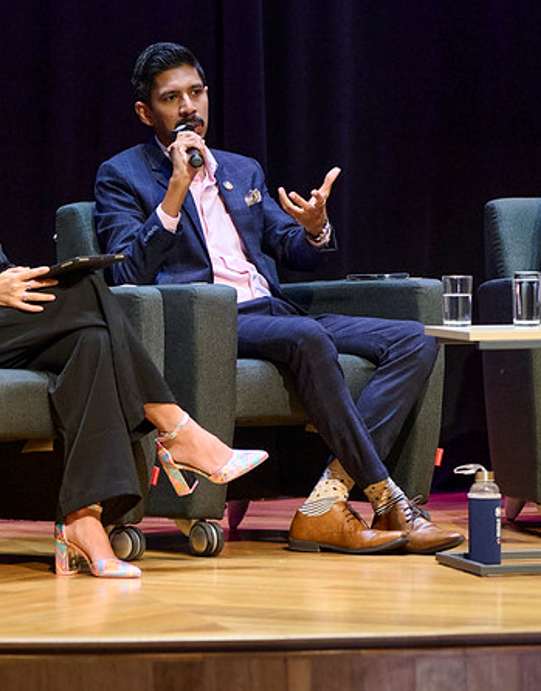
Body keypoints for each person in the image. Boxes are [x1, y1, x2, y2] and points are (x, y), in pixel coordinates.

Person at [0, 43, 267, 579]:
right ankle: (173, 427)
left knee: (91, 338)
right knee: (90, 295)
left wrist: (22, 281)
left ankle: (84, 520)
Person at [93, 42, 462, 555]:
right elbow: (127, 272)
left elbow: (289, 248)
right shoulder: (123, 175)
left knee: (417, 340)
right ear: (145, 112)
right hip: (205, 322)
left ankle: (326, 501)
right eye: (171, 98)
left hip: (271, 312)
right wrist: (175, 190)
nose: (188, 109)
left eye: (196, 93)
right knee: (307, 336)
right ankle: (389, 499)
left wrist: (313, 228)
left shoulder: (241, 170)